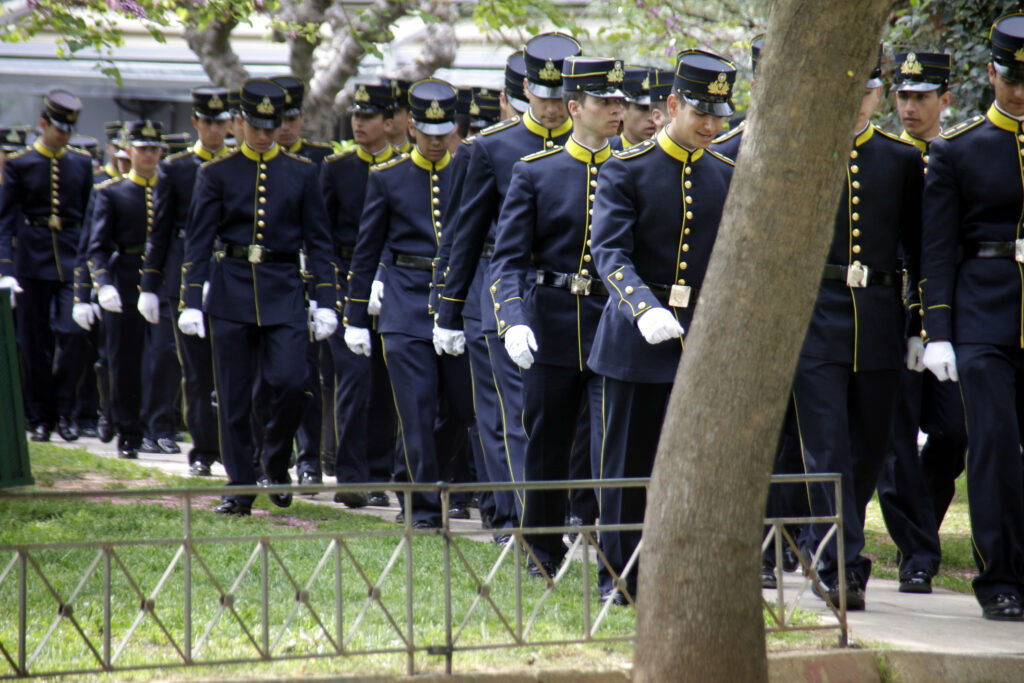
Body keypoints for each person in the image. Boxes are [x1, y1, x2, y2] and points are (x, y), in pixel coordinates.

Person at [589, 49, 737, 604]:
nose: (712, 125)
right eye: (701, 111)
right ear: (673, 104)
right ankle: (619, 579)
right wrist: (644, 307)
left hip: (699, 344)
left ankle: (680, 575)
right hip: (635, 340)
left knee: (692, 472)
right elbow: (610, 252)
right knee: (627, 469)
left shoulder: (725, 173)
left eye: (720, 115)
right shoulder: (626, 168)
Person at [791, 51, 923, 612]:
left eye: (867, 89)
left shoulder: (898, 159)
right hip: (815, 313)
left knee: (869, 448)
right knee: (826, 448)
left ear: (877, 93)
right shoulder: (798, 152)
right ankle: (841, 562)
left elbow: (921, 250)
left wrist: (920, 323)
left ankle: (831, 543)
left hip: (876, 317)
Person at [434, 32, 581, 527]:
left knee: (553, 417)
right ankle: (516, 522)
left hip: (564, 295)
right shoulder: (492, 149)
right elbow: (465, 233)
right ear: (526, 93)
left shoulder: (588, 149)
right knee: (505, 415)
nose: (555, 107)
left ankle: (543, 513)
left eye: (563, 97)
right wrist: (449, 309)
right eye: (544, 96)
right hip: (501, 290)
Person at [489, 56, 624, 582]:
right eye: (604, 102)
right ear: (575, 108)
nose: (616, 111)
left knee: (611, 448)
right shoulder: (535, 173)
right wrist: (512, 318)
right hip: (550, 323)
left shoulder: (631, 167)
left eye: (619, 102)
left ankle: (615, 563)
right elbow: (508, 260)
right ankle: (542, 550)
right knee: (545, 444)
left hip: (612, 326)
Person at [179, 78, 337, 516]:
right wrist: (190, 299)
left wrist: (326, 299)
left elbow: (319, 241)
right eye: (256, 126)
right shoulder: (216, 173)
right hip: (230, 289)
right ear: (238, 123)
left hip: (283, 285)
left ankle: (274, 457)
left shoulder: (303, 172)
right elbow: (197, 241)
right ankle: (240, 487)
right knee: (232, 396)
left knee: (291, 382)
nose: (265, 134)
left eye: (272, 125)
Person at [920, 11, 1024, 621]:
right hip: (984, 318)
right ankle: (1000, 577)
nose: (1020, 91)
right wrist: (937, 332)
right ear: (991, 73)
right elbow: (938, 249)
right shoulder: (958, 151)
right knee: (993, 449)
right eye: (1012, 78)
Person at [344, 78, 474, 529]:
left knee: (462, 408)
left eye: (444, 133)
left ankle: (419, 476)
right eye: (427, 132)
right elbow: (366, 251)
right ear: (412, 126)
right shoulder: (388, 178)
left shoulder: (471, 170)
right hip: (405, 301)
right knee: (416, 411)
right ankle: (421, 510)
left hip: (456, 302)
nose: (436, 142)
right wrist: (355, 317)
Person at [875, 50, 965, 595]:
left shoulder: (959, 156)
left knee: (954, 431)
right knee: (895, 439)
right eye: (903, 96)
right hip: (896, 313)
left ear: (944, 100)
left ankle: (921, 523)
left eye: (922, 97)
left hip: (952, 317)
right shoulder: (885, 157)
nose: (910, 107)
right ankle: (916, 552)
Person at [140, 86, 231, 474]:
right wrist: (149, 285)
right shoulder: (176, 168)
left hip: (230, 277)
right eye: (207, 122)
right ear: (196, 122)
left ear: (231, 123)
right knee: (195, 375)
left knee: (231, 371)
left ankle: (233, 447)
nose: (214, 129)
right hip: (187, 280)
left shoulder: (238, 166)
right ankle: (204, 452)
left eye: (221, 121)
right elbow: (160, 231)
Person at [321, 82, 398, 508]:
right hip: (348, 285)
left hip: (392, 289)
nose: (359, 123)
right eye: (356, 115)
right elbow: (324, 234)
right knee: (353, 378)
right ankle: (351, 476)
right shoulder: (337, 168)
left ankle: (379, 472)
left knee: (385, 383)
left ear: (389, 123)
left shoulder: (403, 168)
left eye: (368, 117)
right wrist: (334, 289)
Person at [0, 90, 93, 444]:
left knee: (73, 333)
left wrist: (89, 265)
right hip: (31, 261)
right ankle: (41, 415)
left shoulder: (81, 164)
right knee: (34, 343)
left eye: (70, 130)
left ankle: (65, 409)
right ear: (43, 124)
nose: (65, 135)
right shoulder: (21, 164)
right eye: (59, 129)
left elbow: (88, 218)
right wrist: (6, 268)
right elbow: (6, 221)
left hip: (72, 259)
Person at [87, 120, 166, 459]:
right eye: (142, 148)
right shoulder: (112, 192)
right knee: (124, 361)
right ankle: (128, 432)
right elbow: (97, 245)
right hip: (125, 277)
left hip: (162, 278)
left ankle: (159, 429)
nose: (148, 155)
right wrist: (103, 284)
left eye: (153, 149)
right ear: (129, 151)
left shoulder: (169, 189)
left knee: (162, 358)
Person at [611, 66, 655, 149]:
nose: (652, 118)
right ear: (622, 110)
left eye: (655, 109)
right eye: (643, 108)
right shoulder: (606, 154)